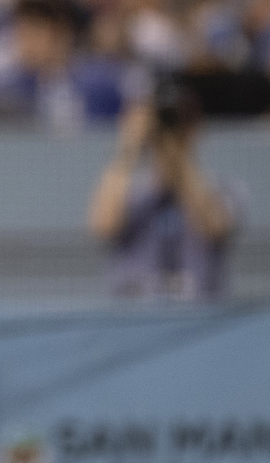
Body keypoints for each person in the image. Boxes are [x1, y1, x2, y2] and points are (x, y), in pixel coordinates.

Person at [86, 81, 239, 300]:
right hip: (134, 316)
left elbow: (214, 227)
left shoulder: (221, 188)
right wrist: (130, 144)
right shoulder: (129, 191)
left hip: (200, 314)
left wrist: (176, 149)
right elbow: (103, 227)